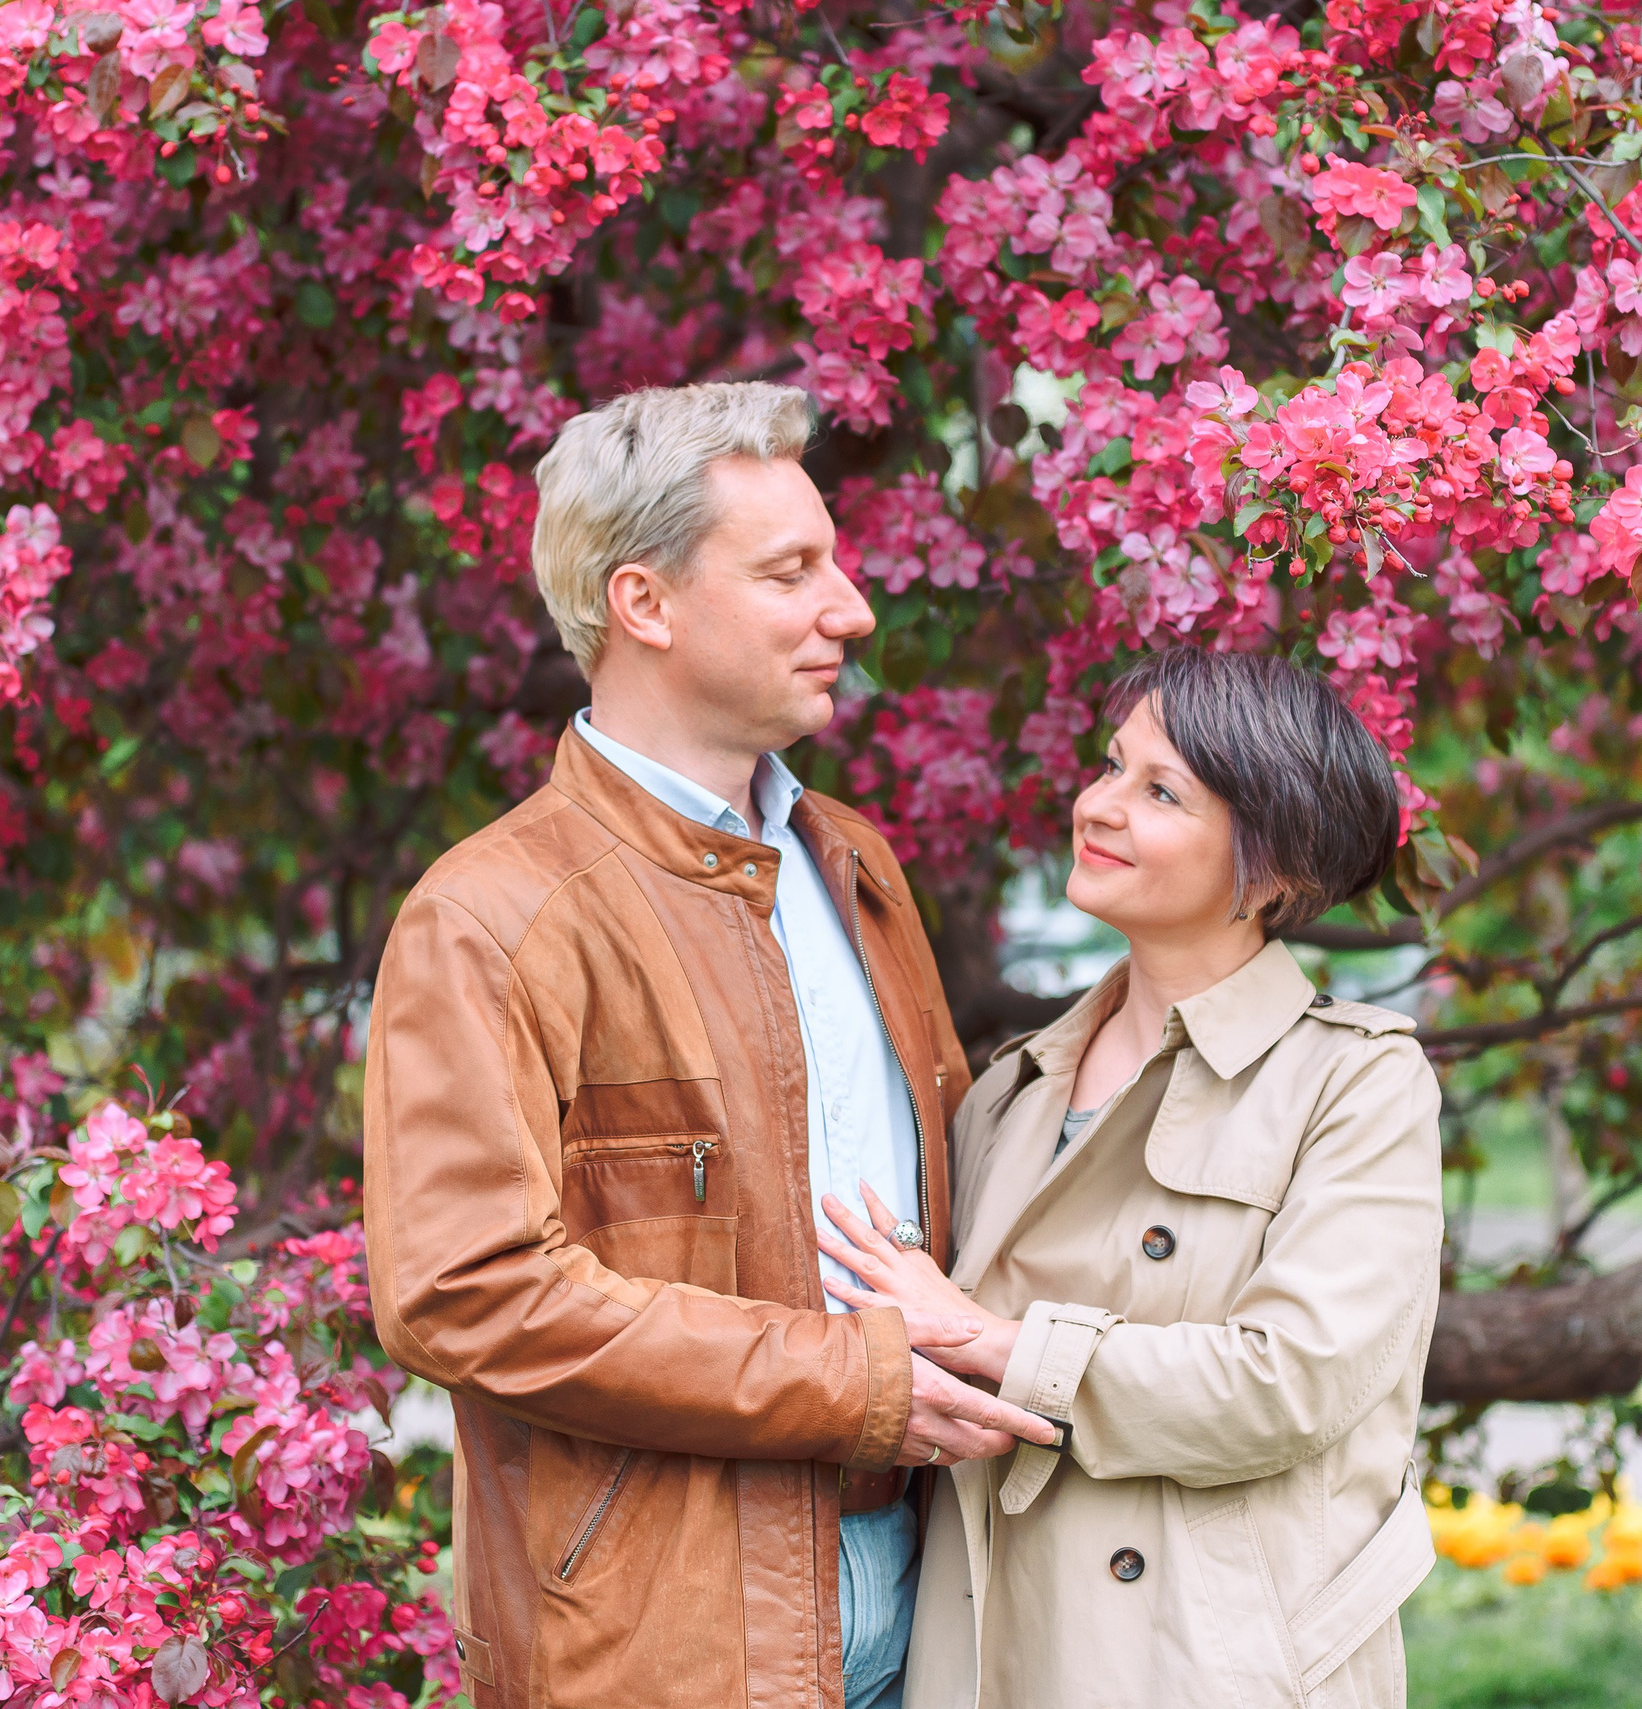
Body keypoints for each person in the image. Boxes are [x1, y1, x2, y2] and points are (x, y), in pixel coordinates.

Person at [362, 382, 1057, 1709]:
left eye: (834, 565)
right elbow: (467, 1290)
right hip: (668, 1635)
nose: (849, 610)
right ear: (645, 603)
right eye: (790, 572)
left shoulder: (854, 863)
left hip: (940, 1589)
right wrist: (854, 1383)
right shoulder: (492, 915)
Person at [817, 646, 1445, 1709]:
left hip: (1210, 1665)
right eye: (1111, 765)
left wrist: (982, 1337)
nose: (1099, 806)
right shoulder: (1009, 1091)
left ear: (1271, 869)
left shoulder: (1355, 1080)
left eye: (1161, 791)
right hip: (996, 1654)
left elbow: (1286, 1383)